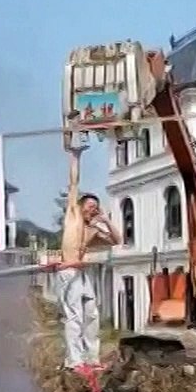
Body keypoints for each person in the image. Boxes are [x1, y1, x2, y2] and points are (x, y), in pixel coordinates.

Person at [43, 141, 121, 373]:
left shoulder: (92, 230)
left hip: (82, 272)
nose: (93, 209)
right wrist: (75, 157)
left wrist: (105, 220)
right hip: (68, 271)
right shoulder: (73, 218)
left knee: (91, 314)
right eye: (90, 205)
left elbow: (116, 240)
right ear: (80, 207)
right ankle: (74, 361)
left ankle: (91, 358)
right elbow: (74, 183)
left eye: (95, 207)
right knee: (74, 316)